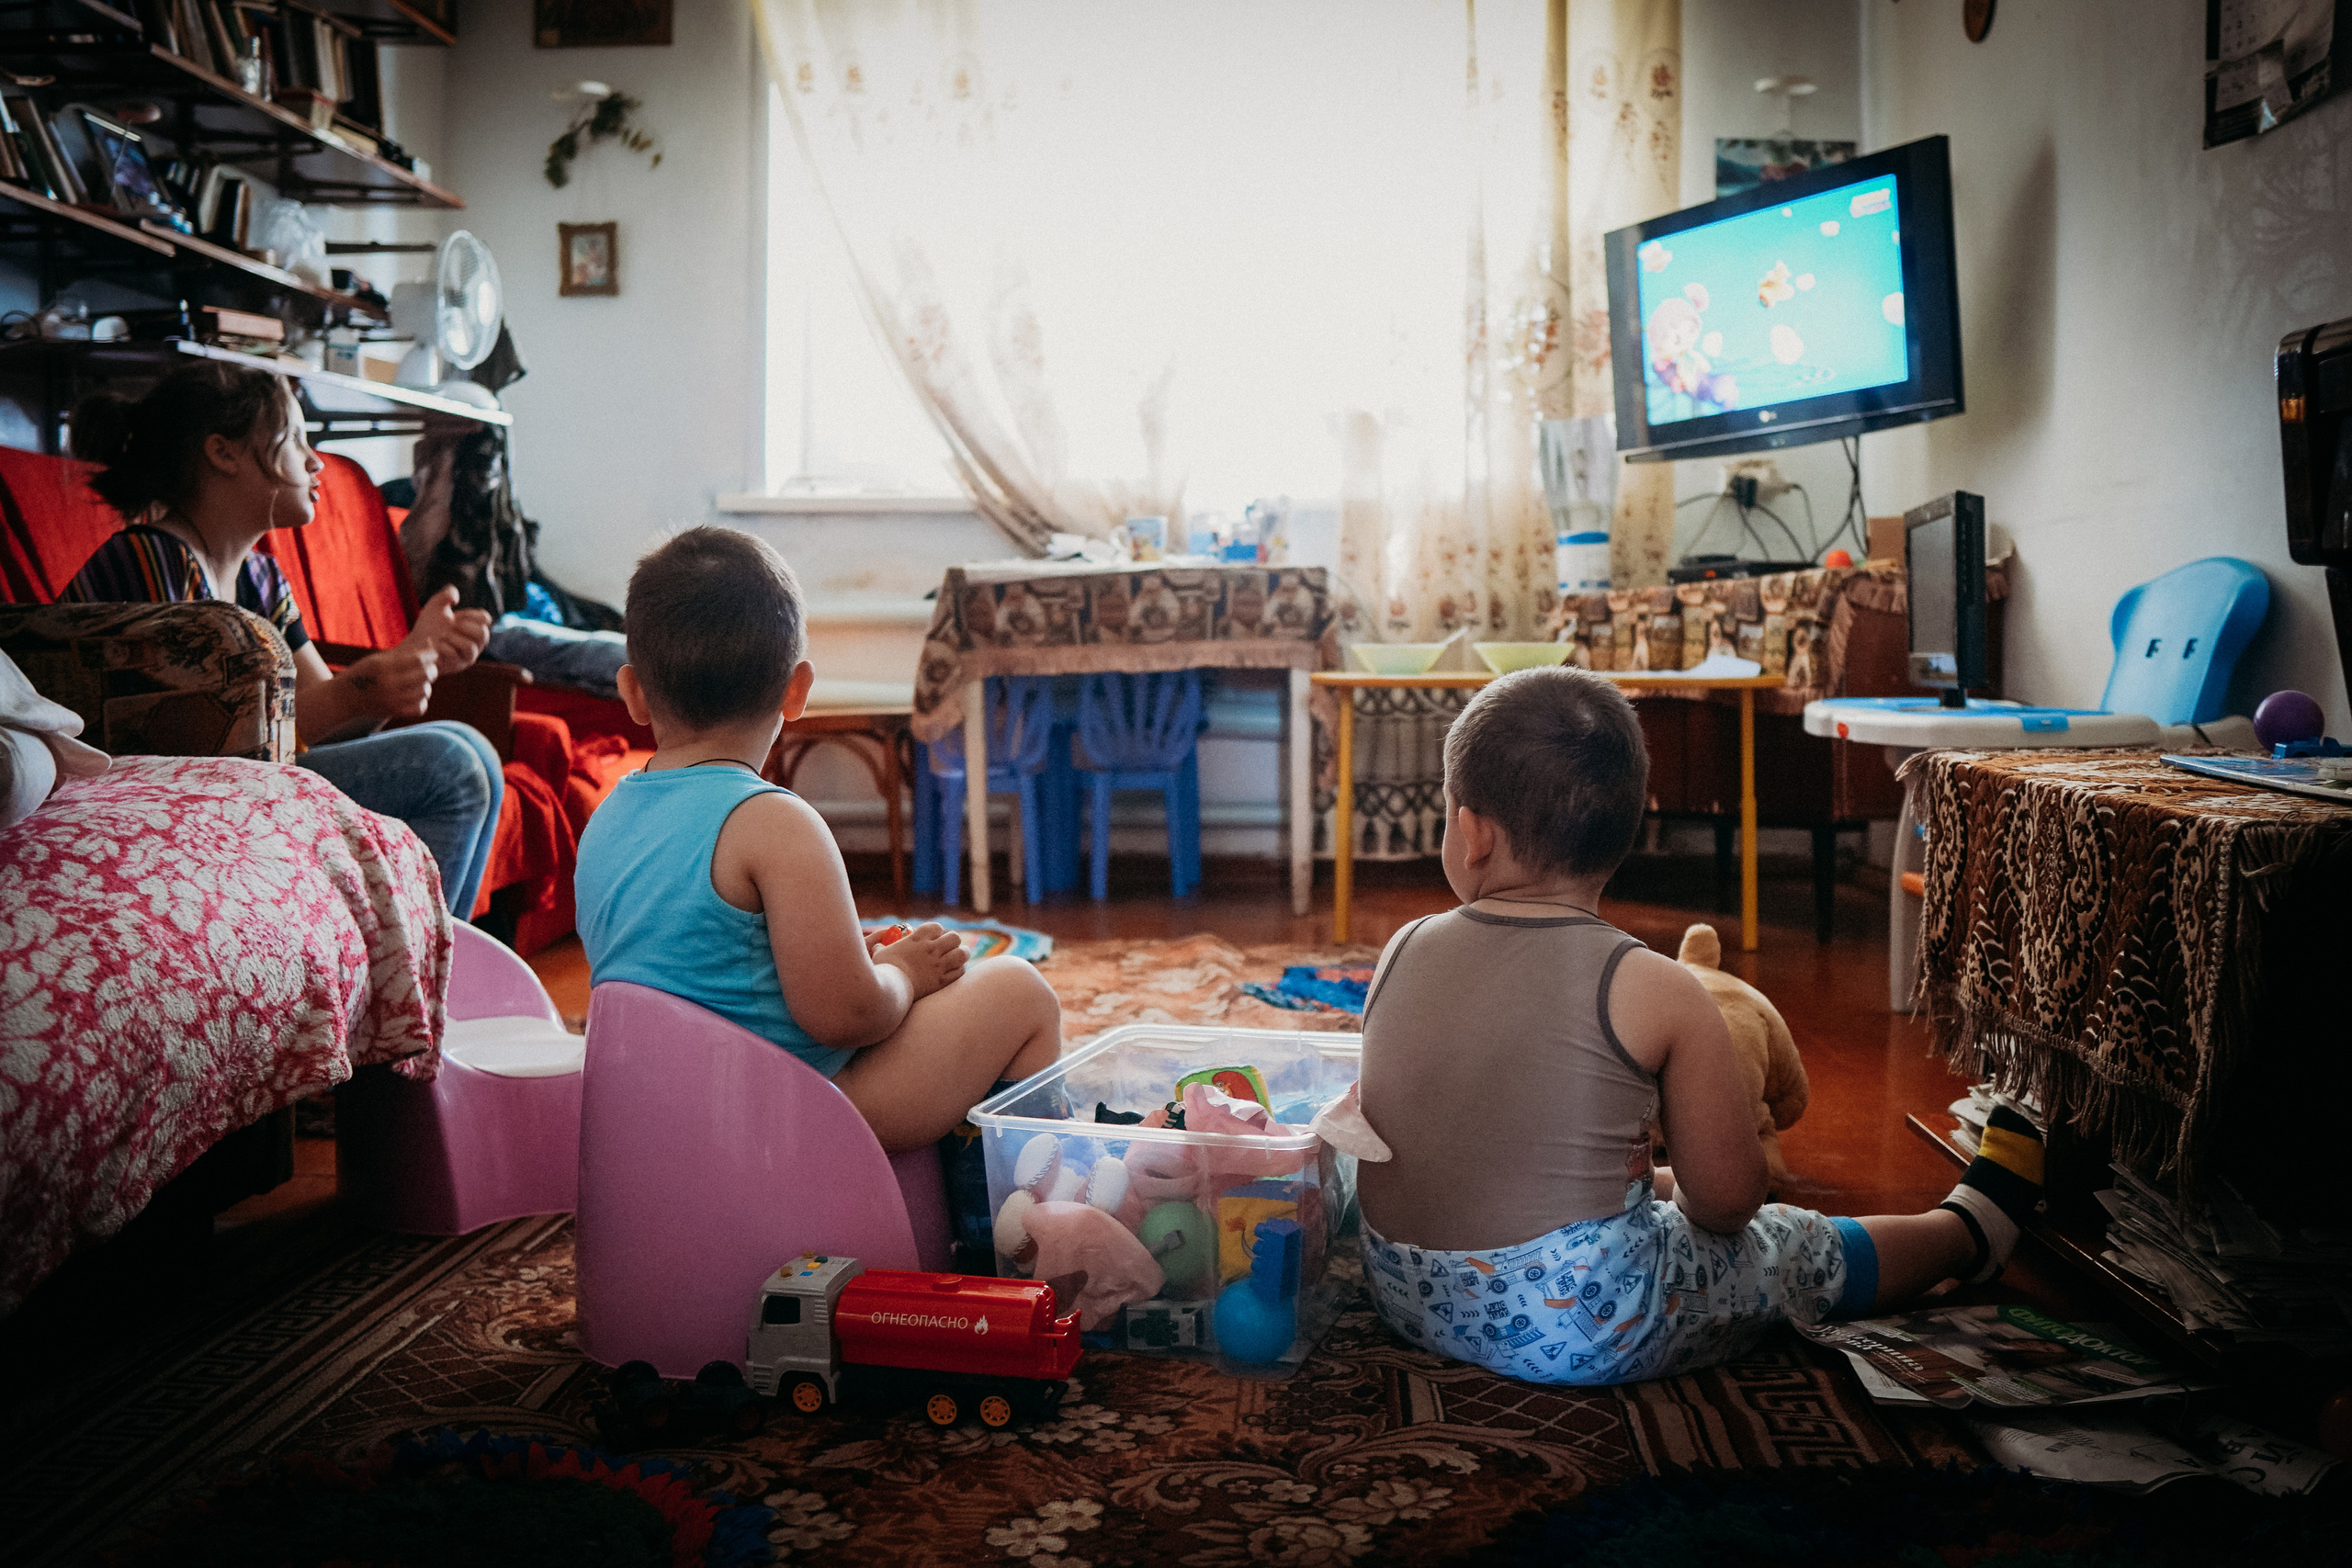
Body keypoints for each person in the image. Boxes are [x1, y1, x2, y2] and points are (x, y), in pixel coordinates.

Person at [1351, 667, 2045, 1386]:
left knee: (1625, 1192)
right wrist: (1675, 1188)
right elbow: (1727, 1203)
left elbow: (1466, 1137)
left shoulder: (1401, 946)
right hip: (1581, 1326)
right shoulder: (1655, 985)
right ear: (1628, 825)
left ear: (1470, 831)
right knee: (1789, 1241)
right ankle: (1968, 1232)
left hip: (1404, 1291)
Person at [572, 526, 1062, 1252]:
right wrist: (900, 972)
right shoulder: (776, 823)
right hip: (789, 1112)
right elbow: (846, 1015)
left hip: (658, 1118)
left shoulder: (605, 816)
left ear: (634, 693)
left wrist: (843, 953)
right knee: (1020, 990)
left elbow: (691, 963)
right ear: (797, 690)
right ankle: (1020, 1232)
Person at [64, 363, 506, 921]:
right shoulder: (150, 560)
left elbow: (314, 718)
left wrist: (404, 664)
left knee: (474, 753)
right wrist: (363, 687)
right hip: (166, 803)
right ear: (223, 453)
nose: (316, 460)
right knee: (449, 765)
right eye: (295, 439)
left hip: (240, 786)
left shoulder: (261, 579)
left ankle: (426, 977)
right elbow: (200, 753)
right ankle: (410, 986)